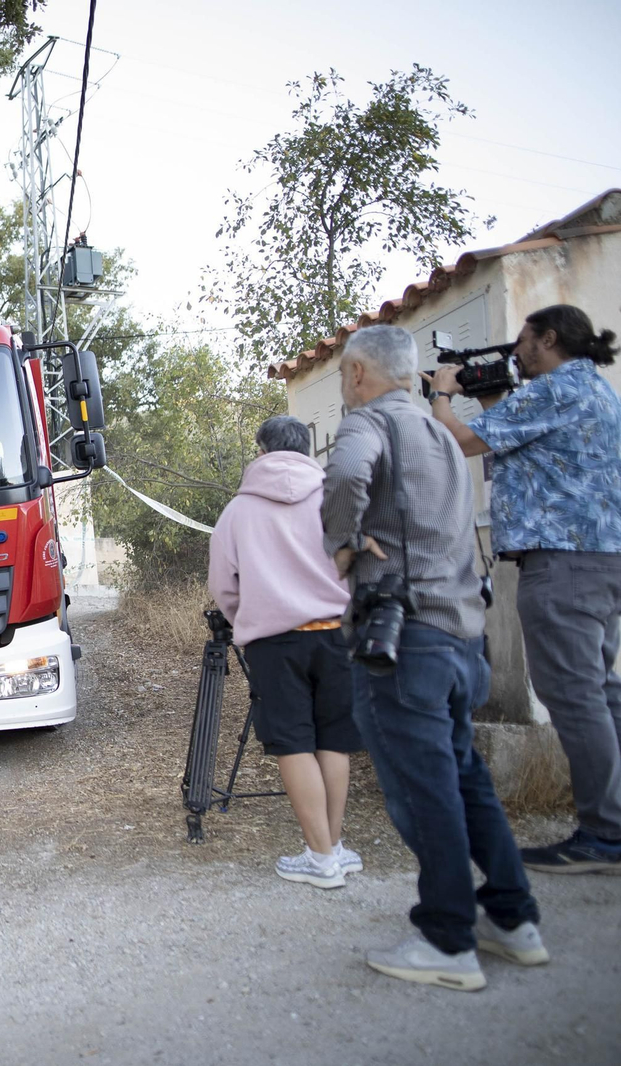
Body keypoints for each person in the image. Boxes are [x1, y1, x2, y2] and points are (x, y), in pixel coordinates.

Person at [323, 324, 543, 992]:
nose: (342, 387)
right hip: (460, 638)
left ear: (360, 372)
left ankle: (448, 938)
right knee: (465, 780)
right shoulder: (441, 432)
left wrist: (344, 543)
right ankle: (512, 919)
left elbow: (344, 472)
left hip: (404, 643)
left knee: (425, 793)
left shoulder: (370, 423)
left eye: (342, 375)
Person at [426, 305, 621, 875]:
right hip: (600, 558)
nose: (516, 353)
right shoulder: (593, 388)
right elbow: (521, 446)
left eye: (523, 342)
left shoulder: (554, 388)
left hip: (562, 563)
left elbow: (459, 443)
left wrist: (441, 394)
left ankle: (605, 835)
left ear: (549, 339)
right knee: (600, 693)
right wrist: (490, 400)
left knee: (573, 695)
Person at [208, 415, 359, 890]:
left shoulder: (238, 512)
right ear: (309, 449)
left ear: (261, 451)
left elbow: (223, 586)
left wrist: (244, 620)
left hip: (275, 641)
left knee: (294, 742)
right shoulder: (335, 498)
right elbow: (358, 564)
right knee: (334, 740)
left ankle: (319, 858)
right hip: (338, 635)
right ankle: (332, 850)